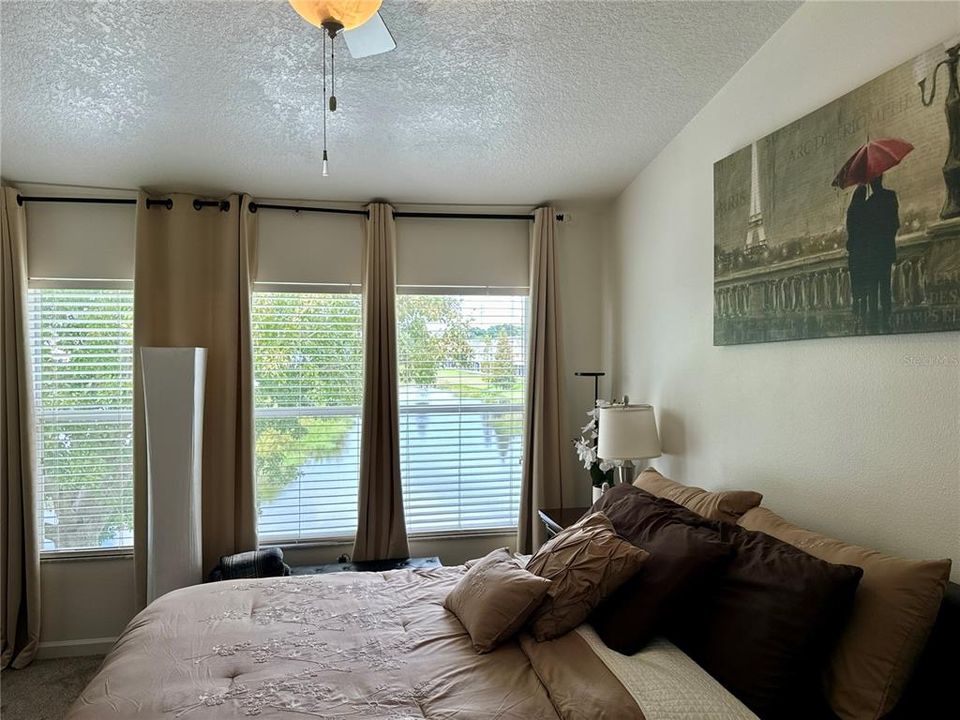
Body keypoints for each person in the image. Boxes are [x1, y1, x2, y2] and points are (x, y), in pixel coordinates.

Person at [862, 174, 900, 332]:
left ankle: (873, 322)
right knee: (885, 286)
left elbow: (865, 231)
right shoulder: (891, 196)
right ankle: (886, 320)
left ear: (871, 183)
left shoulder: (868, 204)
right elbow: (895, 224)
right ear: (881, 179)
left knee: (873, 287)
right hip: (885, 248)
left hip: (872, 251)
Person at [845, 184, 869, 332]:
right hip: (864, 253)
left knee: (856, 284)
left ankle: (856, 311)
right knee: (865, 283)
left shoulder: (851, 210)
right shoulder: (865, 209)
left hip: (854, 253)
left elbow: (851, 231)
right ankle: (863, 312)